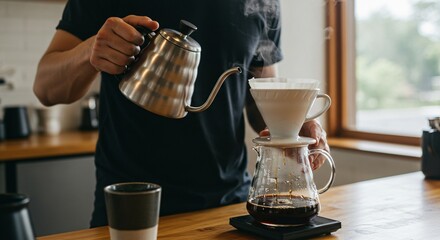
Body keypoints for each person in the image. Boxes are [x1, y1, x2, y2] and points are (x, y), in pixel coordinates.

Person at [33, 0, 331, 228]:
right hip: (134, 205)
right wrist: (90, 52)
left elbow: (260, 98)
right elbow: (45, 87)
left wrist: (293, 123)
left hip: (230, 208)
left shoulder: (261, 3)